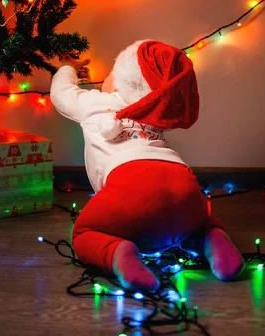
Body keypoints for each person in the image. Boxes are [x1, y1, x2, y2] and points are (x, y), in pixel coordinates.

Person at [50, 40, 244, 291]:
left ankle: (118, 252)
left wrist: (68, 67)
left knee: (84, 232)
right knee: (195, 223)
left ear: (121, 82)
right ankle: (211, 238)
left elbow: (61, 93)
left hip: (130, 187)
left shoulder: (94, 102)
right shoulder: (156, 114)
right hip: (184, 183)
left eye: (112, 73)